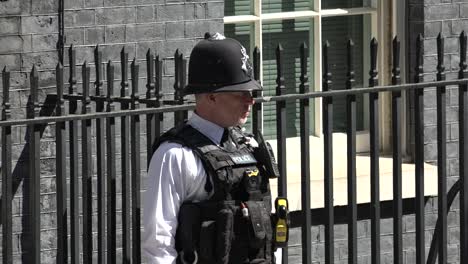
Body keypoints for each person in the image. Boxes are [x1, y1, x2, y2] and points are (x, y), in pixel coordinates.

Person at [142, 32, 285, 264]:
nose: (251, 101)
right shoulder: (175, 155)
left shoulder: (248, 146)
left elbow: (266, 231)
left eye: (252, 93)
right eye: (241, 93)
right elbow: (158, 245)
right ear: (211, 97)